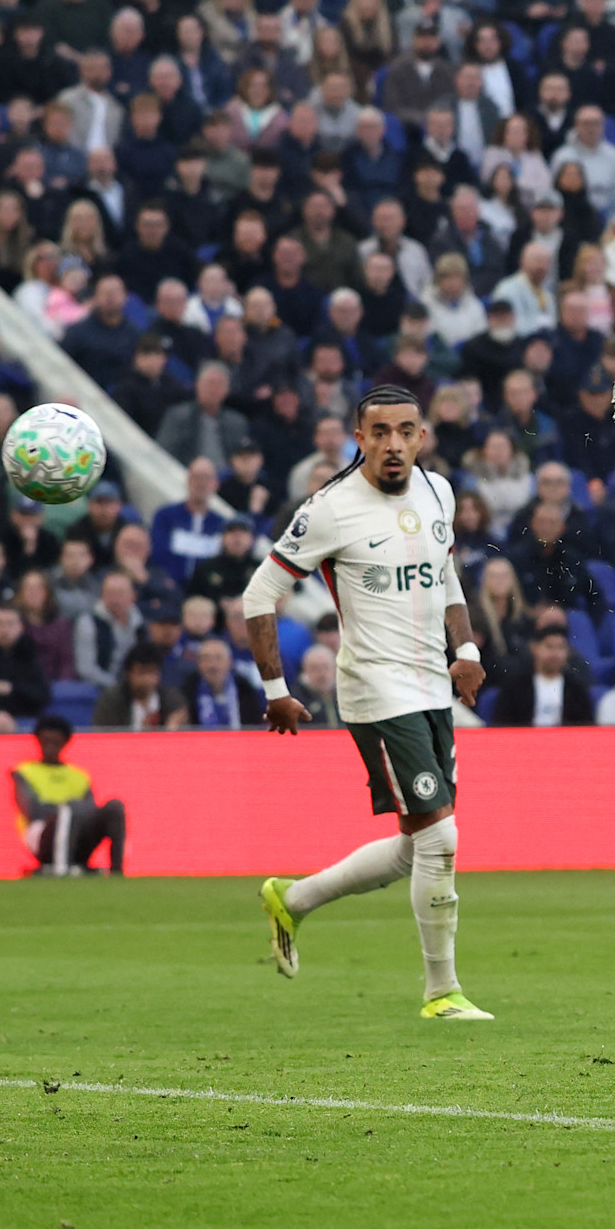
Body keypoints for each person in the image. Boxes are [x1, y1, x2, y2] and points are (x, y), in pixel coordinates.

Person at [248, 386, 492, 1021]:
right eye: (379, 432)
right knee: (441, 836)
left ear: (421, 437)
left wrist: (465, 648)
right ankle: (442, 992)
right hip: (375, 690)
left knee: (418, 844)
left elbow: (444, 572)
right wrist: (276, 691)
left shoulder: (439, 492)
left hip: (432, 686)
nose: (393, 444)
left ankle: (293, 900)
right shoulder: (330, 509)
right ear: (358, 439)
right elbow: (259, 594)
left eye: (405, 431)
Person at [13, 716, 128, 876]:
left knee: (114, 807)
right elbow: (33, 810)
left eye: (55, 743)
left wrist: (71, 808)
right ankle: (61, 868)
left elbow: (91, 810)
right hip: (43, 835)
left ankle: (116, 871)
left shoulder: (79, 776)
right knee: (70, 809)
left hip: (78, 833)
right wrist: (67, 807)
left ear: (64, 743)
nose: (50, 747)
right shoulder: (25, 772)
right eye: (46, 742)